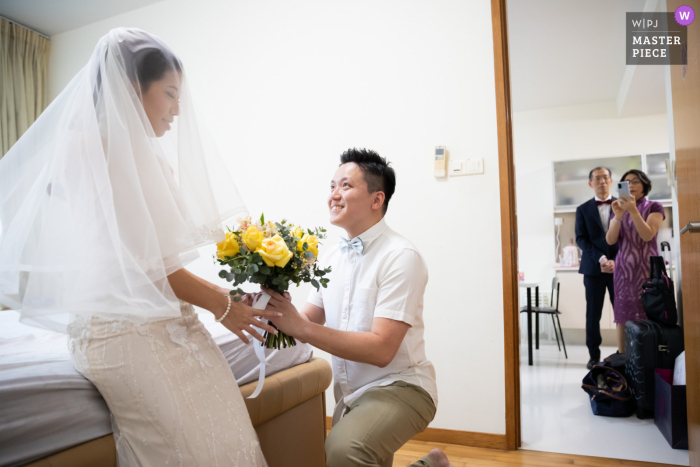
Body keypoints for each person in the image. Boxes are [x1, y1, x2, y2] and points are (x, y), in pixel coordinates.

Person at [0, 28, 281, 466]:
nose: (177, 110)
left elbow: (157, 258)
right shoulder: (93, 145)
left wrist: (220, 300)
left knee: (228, 440)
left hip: (165, 317)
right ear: (132, 87)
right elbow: (142, 262)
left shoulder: (139, 153)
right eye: (170, 94)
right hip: (122, 329)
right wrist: (221, 303)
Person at [263, 149, 452, 467]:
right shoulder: (331, 257)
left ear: (376, 200)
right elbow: (307, 318)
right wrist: (269, 308)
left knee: (344, 450)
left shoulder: (401, 256)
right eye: (332, 186)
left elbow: (381, 350)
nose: (333, 195)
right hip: (350, 393)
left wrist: (303, 327)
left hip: (401, 385)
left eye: (345, 186)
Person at [606, 169, 665, 353]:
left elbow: (647, 235)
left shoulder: (654, 206)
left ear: (645, 185)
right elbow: (610, 240)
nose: (630, 185)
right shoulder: (616, 208)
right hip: (624, 271)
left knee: (650, 311)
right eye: (626, 182)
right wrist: (617, 216)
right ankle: (623, 360)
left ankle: (650, 358)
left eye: (635, 181)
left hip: (649, 270)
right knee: (623, 315)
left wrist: (633, 211)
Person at [575, 167, 618, 370]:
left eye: (605, 178)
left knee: (622, 312)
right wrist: (601, 258)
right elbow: (581, 239)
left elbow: (628, 238)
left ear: (611, 181)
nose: (602, 181)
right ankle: (594, 356)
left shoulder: (622, 205)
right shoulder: (582, 209)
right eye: (597, 178)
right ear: (590, 183)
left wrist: (615, 261)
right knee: (593, 315)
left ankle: (626, 351)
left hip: (619, 268)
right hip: (593, 269)